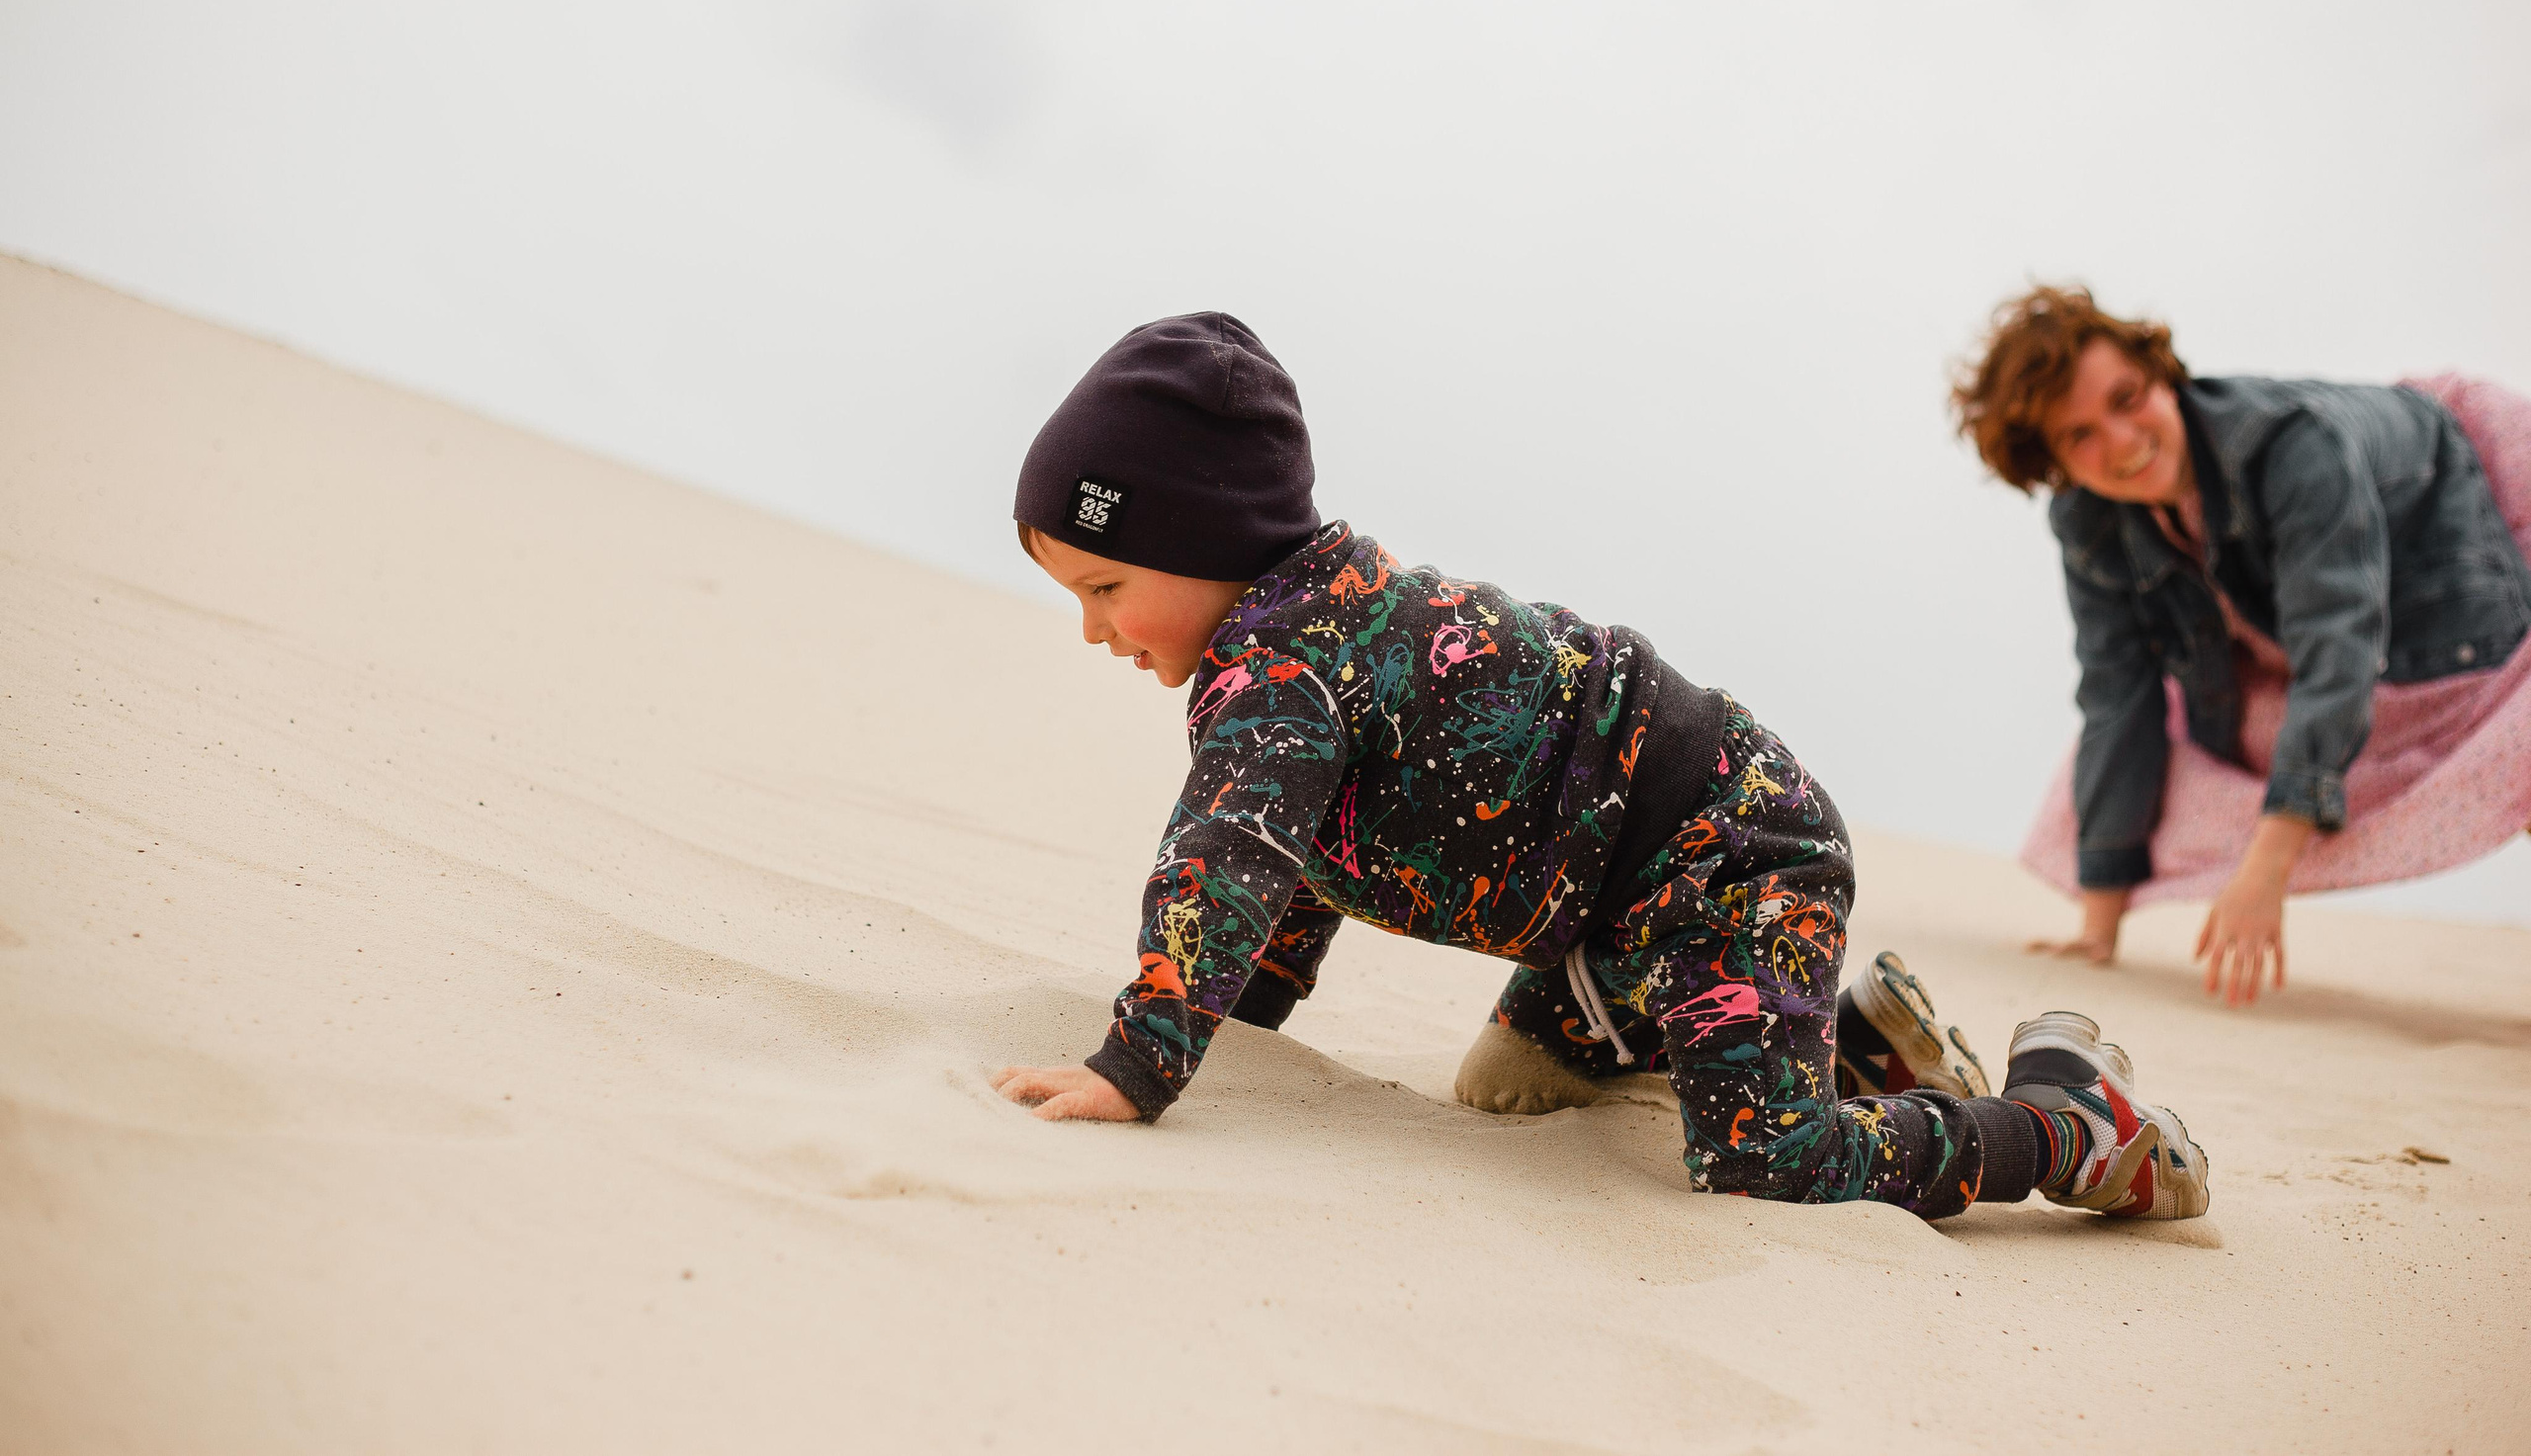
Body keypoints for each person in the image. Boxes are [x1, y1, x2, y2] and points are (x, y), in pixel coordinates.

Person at [991, 311, 2209, 1223]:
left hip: (1733, 857)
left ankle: (2054, 1124)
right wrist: (1246, 1017)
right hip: (1605, 917)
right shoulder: (1288, 647)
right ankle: (1854, 1045)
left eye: (1107, 585)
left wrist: (1139, 1065)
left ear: (1207, 541)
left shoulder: (1285, 672)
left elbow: (1231, 861)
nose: (1096, 627)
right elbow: (1304, 856)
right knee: (1507, 1086)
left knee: (1762, 1160)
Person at [1953, 286, 2531, 1003]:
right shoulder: (2090, 520)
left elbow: (2337, 642)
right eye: (2080, 436)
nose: (2123, 441)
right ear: (2054, 464)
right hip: (2298, 640)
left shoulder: (2294, 449)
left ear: (2160, 372)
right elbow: (2118, 693)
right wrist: (2098, 925)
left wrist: (2265, 869)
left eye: (2127, 398)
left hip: (2457, 575)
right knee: (2186, 731)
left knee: (2517, 739)